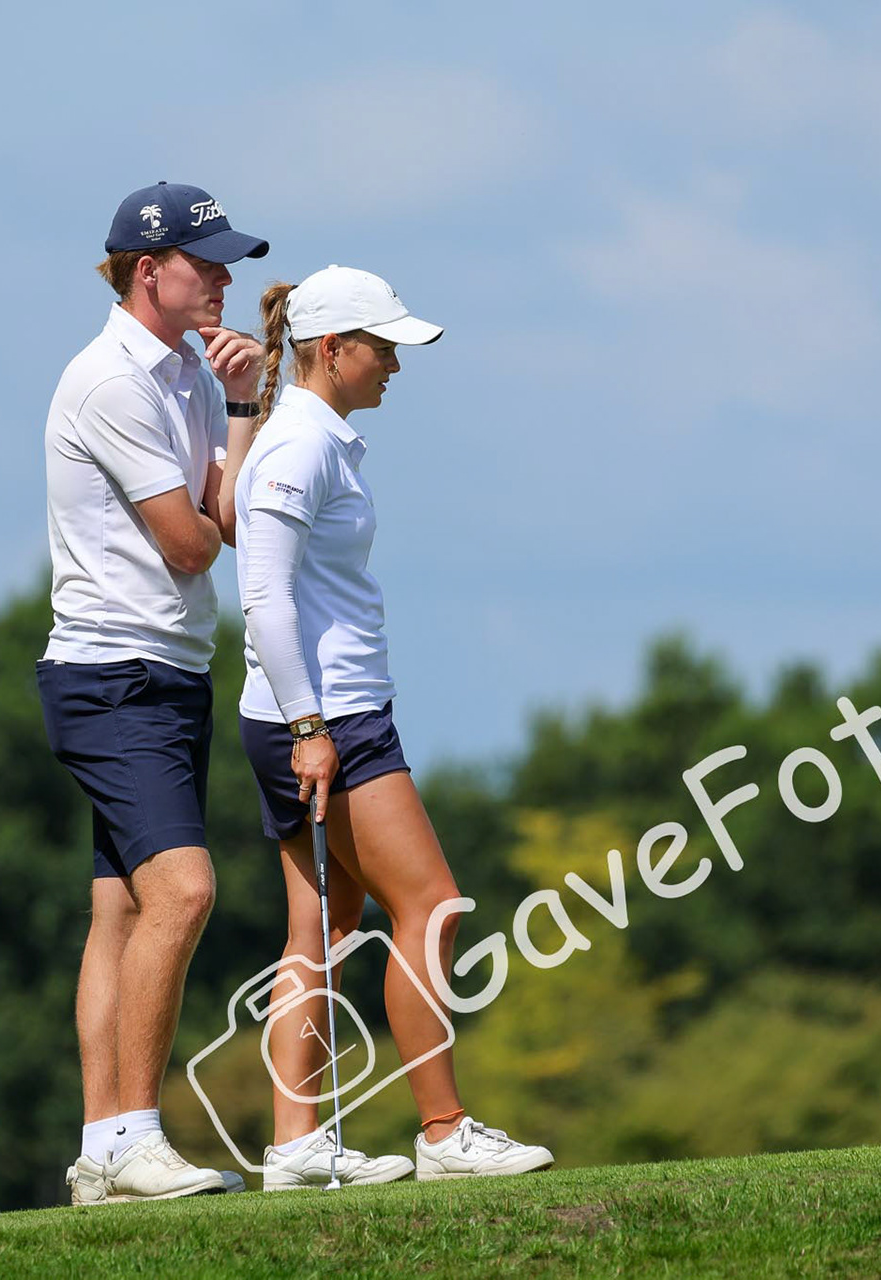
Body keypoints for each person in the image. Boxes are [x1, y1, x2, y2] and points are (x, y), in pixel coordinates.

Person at [221, 265, 555, 1189]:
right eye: (384, 348)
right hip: (331, 720)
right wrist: (310, 725)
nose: (397, 366)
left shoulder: (314, 439)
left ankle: (295, 1144)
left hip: (313, 714)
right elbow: (262, 596)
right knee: (432, 904)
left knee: (321, 931)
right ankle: (443, 1129)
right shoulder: (300, 450)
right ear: (333, 350)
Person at [38, 182, 268, 1205]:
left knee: (123, 910)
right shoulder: (112, 382)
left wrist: (248, 407)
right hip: (114, 674)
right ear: (148, 272)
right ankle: (134, 1135)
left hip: (165, 670)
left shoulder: (187, 373)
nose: (225, 277)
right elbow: (193, 542)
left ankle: (100, 1151)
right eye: (207, 261)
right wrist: (224, 483)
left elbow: (230, 510)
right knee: (185, 890)